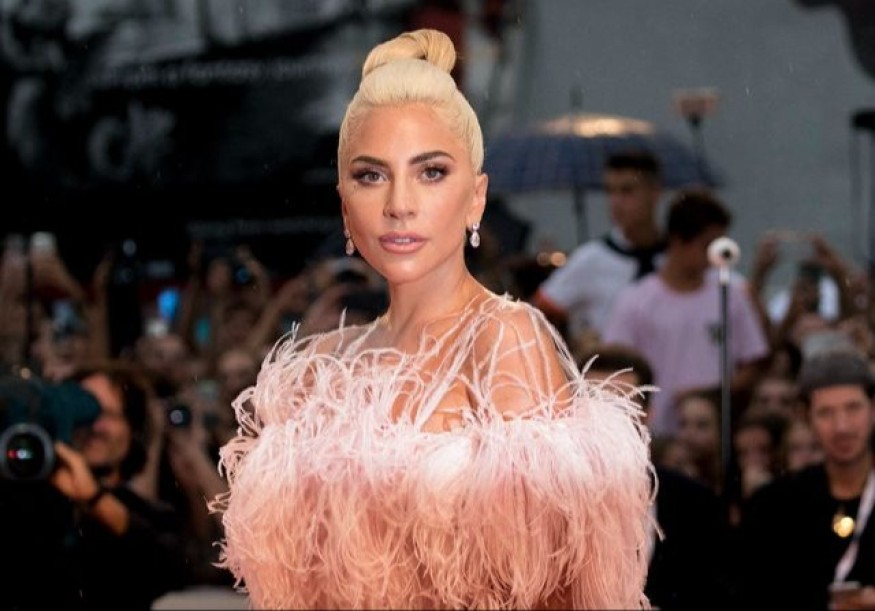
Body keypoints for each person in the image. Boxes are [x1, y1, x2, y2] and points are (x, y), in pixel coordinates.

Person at [211, 29, 654, 610]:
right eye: (371, 175)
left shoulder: (503, 339)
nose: (399, 204)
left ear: (476, 197)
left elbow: (554, 586)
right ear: (344, 205)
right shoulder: (320, 363)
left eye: (431, 172)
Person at [1, 360, 188, 610]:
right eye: (83, 411)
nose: (95, 426)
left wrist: (95, 499)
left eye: (109, 415)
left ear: (133, 430)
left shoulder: (146, 515)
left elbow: (172, 569)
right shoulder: (26, 501)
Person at [602, 188, 770, 437]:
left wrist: (709, 395)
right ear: (678, 240)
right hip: (655, 435)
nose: (715, 256)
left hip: (717, 434)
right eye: (707, 245)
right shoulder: (636, 300)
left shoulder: (730, 294)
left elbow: (753, 363)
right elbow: (614, 370)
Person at [580, 343, 733, 609]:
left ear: (647, 415)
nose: (607, 420)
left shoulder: (696, 504)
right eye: (595, 405)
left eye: (620, 406)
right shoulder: (546, 503)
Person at [737, 348, 875, 610]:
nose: (842, 426)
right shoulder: (774, 505)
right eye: (826, 413)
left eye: (853, 408)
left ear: (873, 409)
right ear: (806, 417)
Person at [532, 149, 665, 350]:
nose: (616, 202)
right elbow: (537, 312)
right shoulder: (592, 258)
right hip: (611, 363)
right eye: (610, 191)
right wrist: (571, 345)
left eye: (627, 191)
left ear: (654, 193)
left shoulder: (673, 257)